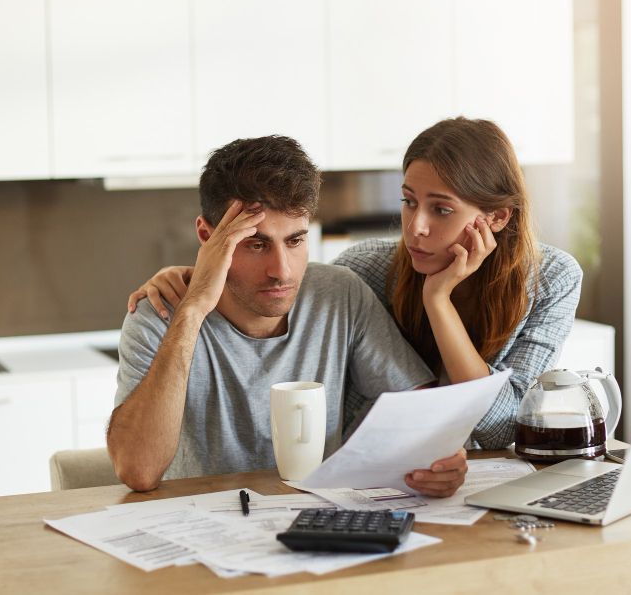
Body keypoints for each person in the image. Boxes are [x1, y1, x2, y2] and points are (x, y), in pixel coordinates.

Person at [129, 117, 583, 450]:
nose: (415, 228)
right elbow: (281, 285)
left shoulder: (551, 280)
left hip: (473, 474)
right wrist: (198, 279)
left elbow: (500, 427)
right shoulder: (364, 269)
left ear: (497, 217)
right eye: (408, 202)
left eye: (440, 210)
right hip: (382, 478)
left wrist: (437, 300)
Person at [107, 135, 468, 496]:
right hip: (201, 528)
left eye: (295, 241)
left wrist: (440, 459)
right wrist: (193, 309)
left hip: (317, 522)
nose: (281, 270)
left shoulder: (340, 294)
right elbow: (138, 471)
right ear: (207, 236)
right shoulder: (158, 314)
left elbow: (422, 415)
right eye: (256, 244)